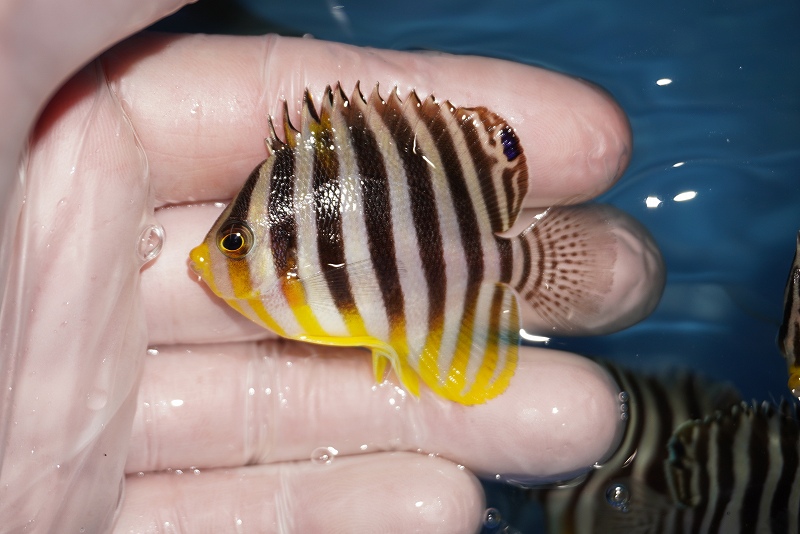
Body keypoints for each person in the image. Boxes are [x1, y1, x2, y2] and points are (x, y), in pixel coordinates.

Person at [0, 1, 664, 531]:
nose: (205, 259)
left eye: (233, 245)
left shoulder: (279, 256)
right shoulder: (277, 231)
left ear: (272, 257)